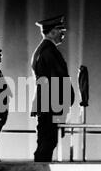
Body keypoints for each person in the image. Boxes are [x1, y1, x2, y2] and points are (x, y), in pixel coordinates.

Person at [31, 15, 74, 162]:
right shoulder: (50, 52)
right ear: (52, 32)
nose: (63, 33)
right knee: (48, 141)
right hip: (52, 104)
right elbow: (59, 80)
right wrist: (66, 103)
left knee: (44, 140)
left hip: (45, 103)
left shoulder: (40, 51)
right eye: (60, 30)